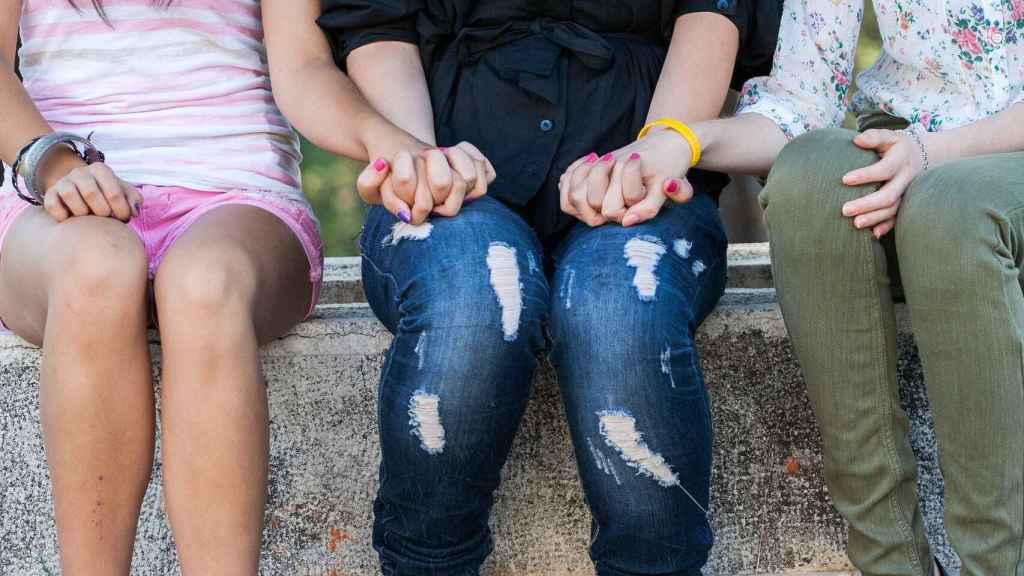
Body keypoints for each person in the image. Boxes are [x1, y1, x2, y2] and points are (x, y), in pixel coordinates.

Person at [270, 1, 780, 573]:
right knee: (476, 298)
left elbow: (712, 12)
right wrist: (419, 161)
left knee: (617, 303)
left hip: (648, 160)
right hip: (447, 160)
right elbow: (379, 24)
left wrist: (647, 159)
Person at [581, 1, 1024, 574]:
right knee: (809, 173)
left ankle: (999, 562)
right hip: (909, 161)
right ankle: (888, 559)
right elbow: (795, 107)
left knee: (950, 207)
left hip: (976, 173)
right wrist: (682, 142)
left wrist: (933, 152)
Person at [0, 1, 323, 573]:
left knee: (206, 286)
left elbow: (304, 70)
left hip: (238, 192)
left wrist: (392, 146)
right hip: (56, 194)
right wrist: (57, 167)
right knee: (95, 270)